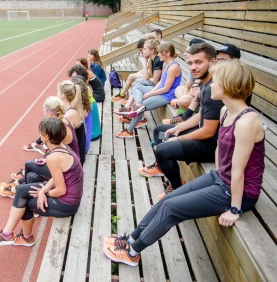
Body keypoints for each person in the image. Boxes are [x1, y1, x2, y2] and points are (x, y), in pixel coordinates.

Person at [102, 60, 264, 267]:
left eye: (216, 81)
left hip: (238, 192)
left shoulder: (247, 122)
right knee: (165, 200)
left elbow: (239, 171)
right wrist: (215, 177)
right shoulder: (225, 112)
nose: (210, 85)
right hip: (222, 179)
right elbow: (221, 152)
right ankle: (131, 238)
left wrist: (234, 209)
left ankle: (133, 252)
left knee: (171, 208)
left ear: (228, 85)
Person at [140, 43, 223, 200]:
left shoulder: (214, 89)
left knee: (163, 150)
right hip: (204, 133)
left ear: (212, 62)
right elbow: (201, 116)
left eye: (199, 62)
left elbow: (208, 131)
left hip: (213, 145)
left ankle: (177, 190)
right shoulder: (206, 83)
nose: (192, 67)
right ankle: (170, 175)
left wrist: (178, 137)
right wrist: (179, 127)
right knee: (160, 130)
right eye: (190, 63)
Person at [0, 117, 84, 247]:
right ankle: (8, 234)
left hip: (67, 204)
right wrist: (43, 190)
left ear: (47, 136)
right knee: (21, 191)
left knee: (24, 203)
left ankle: (21, 237)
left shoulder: (54, 157)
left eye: (40, 131)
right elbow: (56, 177)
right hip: (70, 195)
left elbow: (61, 190)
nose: (39, 134)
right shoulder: (62, 147)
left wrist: (45, 194)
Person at [0, 96, 80, 198]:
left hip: (68, 166)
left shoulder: (59, 128)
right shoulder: (61, 122)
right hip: (68, 161)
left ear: (50, 113)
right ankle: (19, 183)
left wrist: (47, 158)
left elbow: (58, 154)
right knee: (35, 166)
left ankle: (20, 191)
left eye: (44, 111)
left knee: (31, 167)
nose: (44, 114)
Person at [116, 42, 181, 138]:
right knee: (136, 86)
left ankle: (129, 131)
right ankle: (137, 104)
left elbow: (166, 88)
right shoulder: (166, 64)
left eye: (160, 53)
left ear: (167, 53)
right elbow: (160, 83)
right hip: (160, 91)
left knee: (142, 107)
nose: (158, 55)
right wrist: (151, 91)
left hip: (167, 95)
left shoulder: (173, 67)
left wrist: (150, 94)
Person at [110, 35, 156, 102]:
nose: (141, 52)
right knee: (132, 81)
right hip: (149, 76)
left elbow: (149, 74)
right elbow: (144, 70)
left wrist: (134, 76)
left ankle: (122, 95)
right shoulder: (149, 58)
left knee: (131, 77)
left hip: (151, 78)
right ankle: (129, 99)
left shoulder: (152, 58)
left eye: (142, 50)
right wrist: (136, 75)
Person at [68, 63, 102, 141]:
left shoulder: (80, 94)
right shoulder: (87, 88)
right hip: (95, 132)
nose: (72, 81)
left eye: (74, 78)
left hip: (90, 135)